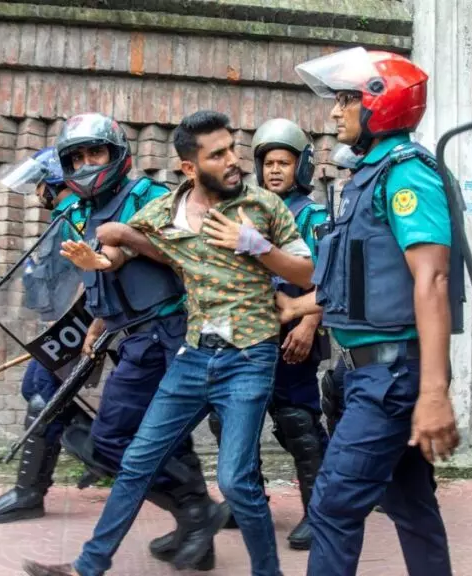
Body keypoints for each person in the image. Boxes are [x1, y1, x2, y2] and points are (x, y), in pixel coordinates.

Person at [21, 110, 314, 576]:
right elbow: (126, 244)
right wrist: (101, 259)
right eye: (217, 155)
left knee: (237, 482)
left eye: (232, 148)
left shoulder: (263, 206)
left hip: (249, 357)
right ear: (190, 168)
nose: (233, 161)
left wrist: (255, 245)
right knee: (136, 462)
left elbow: (308, 272)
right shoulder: (163, 209)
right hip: (195, 355)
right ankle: (87, 567)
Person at [277, 46, 465, 576]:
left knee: (333, 508)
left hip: (392, 377)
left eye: (345, 100)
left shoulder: (406, 174)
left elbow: (432, 278)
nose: (335, 112)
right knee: (411, 506)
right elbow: (359, 281)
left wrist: (433, 393)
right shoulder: (370, 174)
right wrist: (301, 305)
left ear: (381, 104)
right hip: (374, 374)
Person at [47, 113, 227, 571]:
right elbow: (103, 281)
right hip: (131, 335)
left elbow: (189, 251)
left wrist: (125, 242)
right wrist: (98, 322)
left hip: (167, 334)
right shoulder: (83, 213)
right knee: (168, 437)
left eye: (96, 153)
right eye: (78, 157)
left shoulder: (149, 195)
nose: (87, 163)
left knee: (110, 439)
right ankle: (197, 532)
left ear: (117, 153)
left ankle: (194, 511)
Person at [206, 117, 332, 550]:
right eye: (268, 162)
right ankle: (247, 503)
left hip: (293, 334)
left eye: (284, 161)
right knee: (228, 419)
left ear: (302, 167)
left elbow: (329, 278)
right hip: (245, 335)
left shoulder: (314, 215)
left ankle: (321, 513)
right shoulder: (247, 210)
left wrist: (309, 323)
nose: (275, 169)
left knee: (296, 419)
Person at [0, 146, 92, 524]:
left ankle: (30, 493)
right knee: (35, 389)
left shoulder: (77, 215)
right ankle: (98, 452)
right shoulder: (67, 214)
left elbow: (86, 278)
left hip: (79, 328)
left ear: (55, 182)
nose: (36, 193)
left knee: (45, 395)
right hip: (62, 328)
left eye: (40, 184)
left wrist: (66, 330)